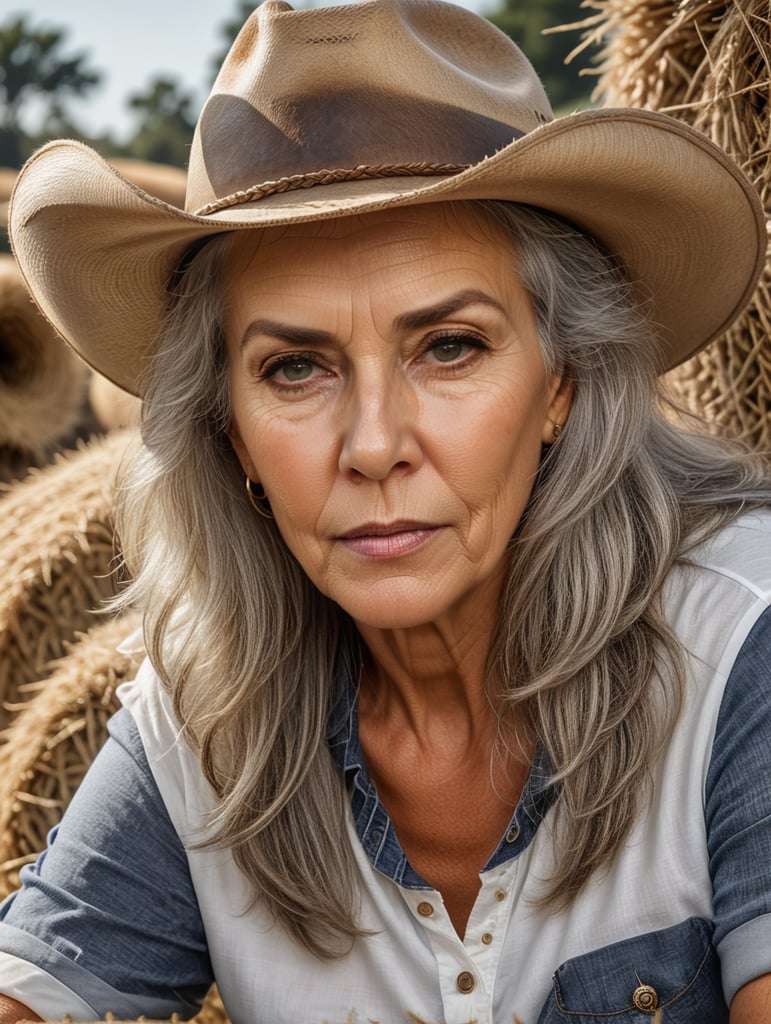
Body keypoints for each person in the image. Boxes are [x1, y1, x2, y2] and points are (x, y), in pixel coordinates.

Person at [2, 0, 771, 1020]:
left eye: (449, 345)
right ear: (231, 431)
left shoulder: (737, 647)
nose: (372, 446)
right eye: (295, 367)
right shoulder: (203, 729)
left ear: (562, 385)